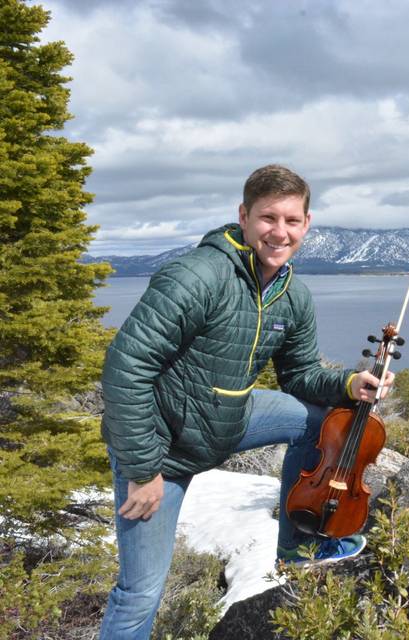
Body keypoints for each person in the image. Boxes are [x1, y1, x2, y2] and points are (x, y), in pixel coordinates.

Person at [98, 165, 393, 639]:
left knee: (322, 421)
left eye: (292, 221)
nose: (280, 232)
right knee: (139, 592)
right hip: (161, 446)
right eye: (268, 218)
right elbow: (125, 367)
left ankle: (297, 546)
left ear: (307, 224)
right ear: (244, 215)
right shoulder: (196, 276)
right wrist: (141, 470)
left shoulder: (291, 293)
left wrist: (349, 383)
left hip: (226, 420)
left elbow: (300, 375)